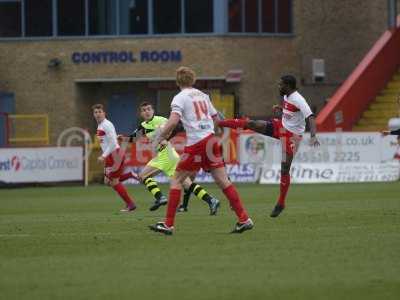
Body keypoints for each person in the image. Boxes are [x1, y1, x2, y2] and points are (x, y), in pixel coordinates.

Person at [149, 66, 253, 235]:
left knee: (176, 179)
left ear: (177, 81)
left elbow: (173, 121)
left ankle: (168, 224)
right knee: (223, 181)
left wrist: (160, 137)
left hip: (197, 142)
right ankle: (244, 219)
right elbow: (217, 119)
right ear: (193, 80)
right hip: (211, 139)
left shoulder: (179, 98)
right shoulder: (203, 96)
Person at [218, 75, 320, 218]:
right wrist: (281, 109)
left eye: (281, 85)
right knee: (253, 124)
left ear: (288, 86)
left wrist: (313, 135)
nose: (279, 87)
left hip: (292, 137)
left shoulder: (298, 99)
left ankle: (281, 203)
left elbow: (310, 116)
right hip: (281, 127)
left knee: (285, 168)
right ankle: (221, 123)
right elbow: (292, 112)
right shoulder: (287, 97)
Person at [124, 101, 220, 214]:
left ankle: (160, 198)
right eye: (144, 110)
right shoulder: (143, 126)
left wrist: (166, 139)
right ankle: (211, 200)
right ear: (141, 113)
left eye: (149, 109)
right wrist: (123, 138)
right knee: (187, 184)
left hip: (166, 155)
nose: (147, 112)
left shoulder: (160, 120)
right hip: (168, 155)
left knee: (142, 176)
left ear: (153, 111)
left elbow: (176, 127)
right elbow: (133, 139)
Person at [92, 104, 137, 212]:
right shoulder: (100, 126)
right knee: (107, 181)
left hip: (114, 155)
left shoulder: (106, 124)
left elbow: (113, 143)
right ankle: (130, 175)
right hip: (110, 155)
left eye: (100, 112)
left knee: (114, 182)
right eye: (96, 112)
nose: (98, 114)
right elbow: (111, 139)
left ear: (104, 113)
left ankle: (130, 205)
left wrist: (103, 156)